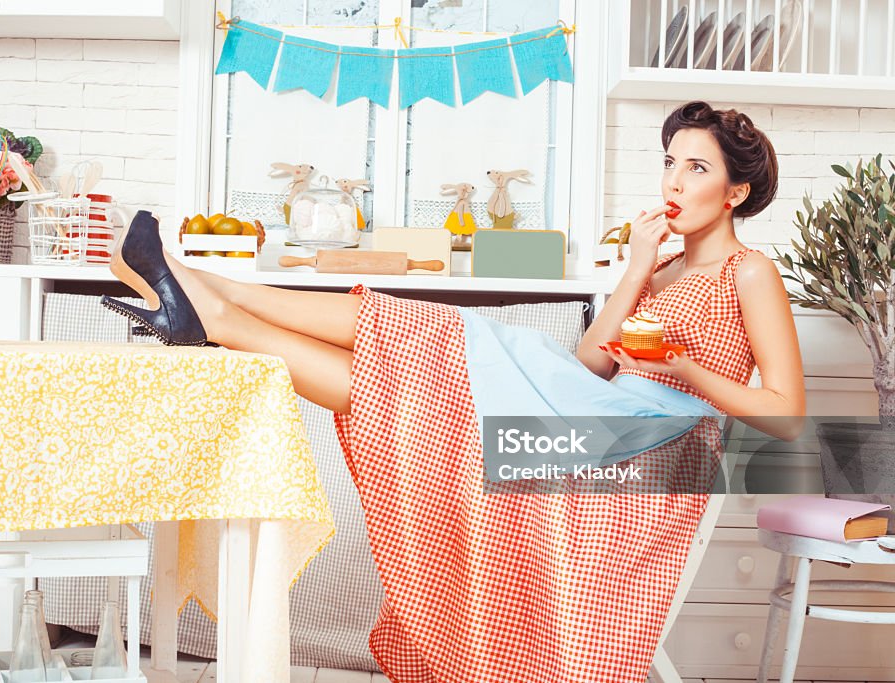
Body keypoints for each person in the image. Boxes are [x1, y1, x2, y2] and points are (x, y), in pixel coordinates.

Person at [102, 100, 805, 682]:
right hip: (594, 412)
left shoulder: (750, 272)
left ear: (736, 191)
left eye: (696, 167)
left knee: (437, 346)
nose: (674, 182)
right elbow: (593, 358)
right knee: (411, 382)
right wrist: (637, 267)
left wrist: (688, 372)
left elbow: (787, 413)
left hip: (646, 447)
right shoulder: (662, 269)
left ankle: (215, 302)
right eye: (669, 163)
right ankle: (215, 301)